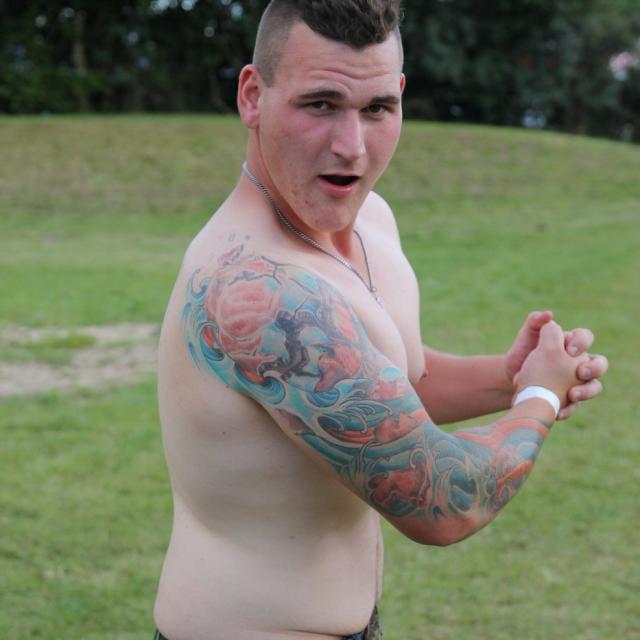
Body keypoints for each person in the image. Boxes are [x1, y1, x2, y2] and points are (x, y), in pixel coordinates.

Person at [153, 2, 608, 639]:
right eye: (320, 105)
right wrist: (540, 398)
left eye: (377, 109)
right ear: (253, 96)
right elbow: (443, 501)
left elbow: (386, 391)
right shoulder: (260, 289)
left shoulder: (370, 221)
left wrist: (509, 376)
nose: (352, 147)